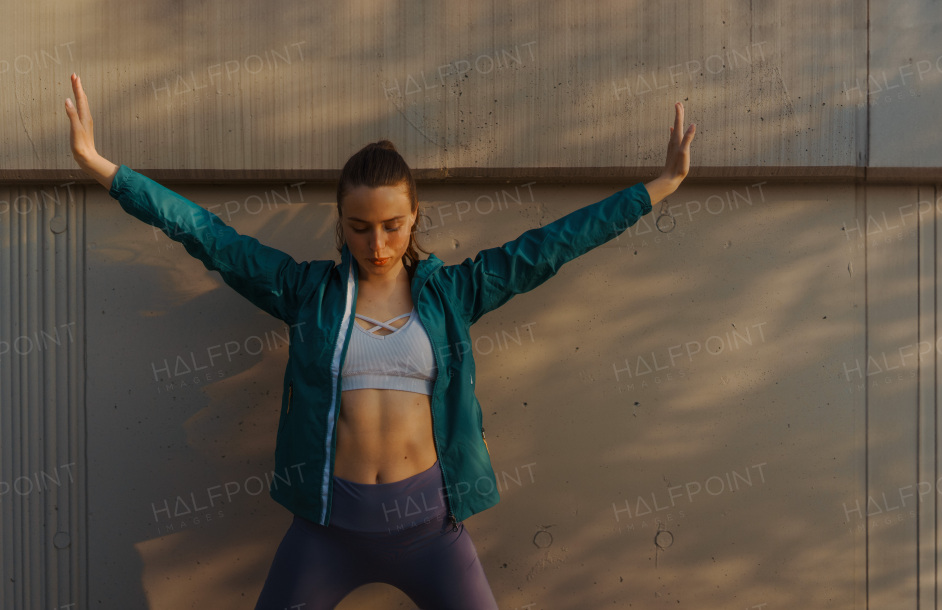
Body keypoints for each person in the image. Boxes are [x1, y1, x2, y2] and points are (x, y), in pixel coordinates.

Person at [64, 72, 694, 608]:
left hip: (430, 529)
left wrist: (657, 187)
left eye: (393, 226)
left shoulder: (455, 294)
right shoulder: (305, 293)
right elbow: (205, 233)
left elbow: (553, 244)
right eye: (360, 227)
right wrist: (102, 166)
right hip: (326, 528)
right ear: (340, 222)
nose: (378, 244)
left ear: (414, 216)